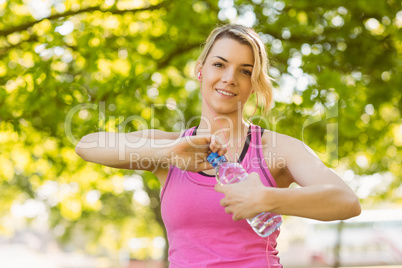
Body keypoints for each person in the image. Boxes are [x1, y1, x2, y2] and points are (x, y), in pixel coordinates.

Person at [75, 24, 361, 267]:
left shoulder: (277, 150)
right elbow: (87, 145)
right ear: (200, 70)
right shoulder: (173, 146)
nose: (229, 78)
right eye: (219, 64)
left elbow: (347, 202)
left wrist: (267, 198)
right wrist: (169, 153)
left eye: (245, 71)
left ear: (254, 84)